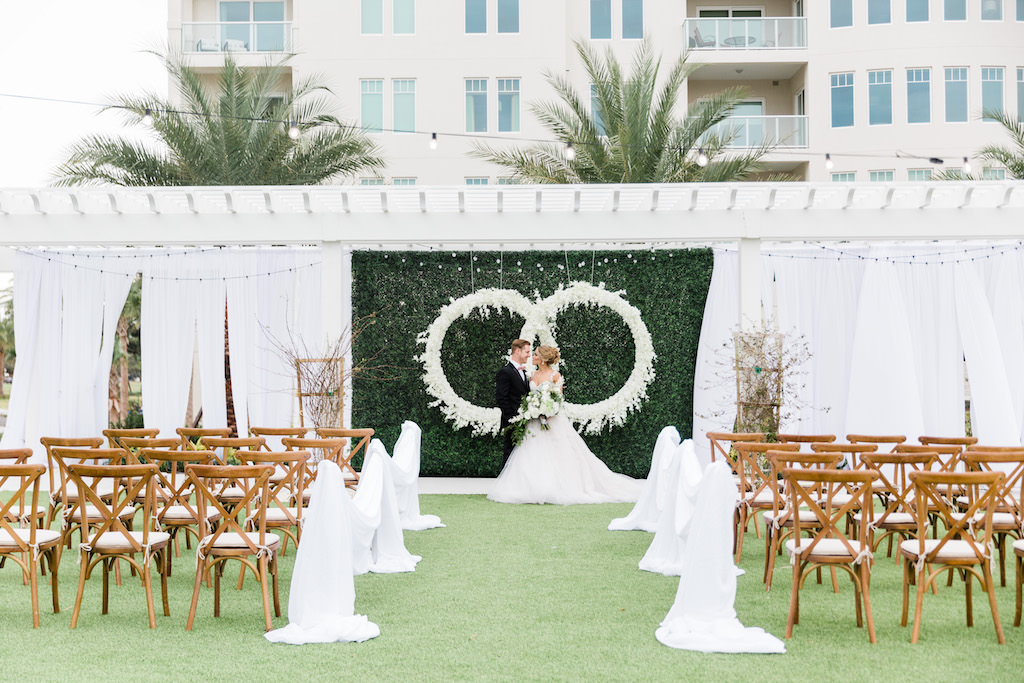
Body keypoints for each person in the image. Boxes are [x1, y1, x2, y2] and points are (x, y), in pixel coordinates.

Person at [488, 345, 644, 505]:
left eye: (535, 354)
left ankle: (560, 487)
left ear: (541, 358)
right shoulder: (531, 375)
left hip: (552, 421)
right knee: (533, 453)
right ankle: (533, 487)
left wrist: (546, 410)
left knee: (558, 453)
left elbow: (558, 400)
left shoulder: (555, 376)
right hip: (534, 421)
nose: (532, 357)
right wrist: (533, 409)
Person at [495, 339, 532, 469]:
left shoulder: (524, 371)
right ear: (517, 351)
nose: (529, 355)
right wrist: (513, 418)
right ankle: (505, 485)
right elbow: (501, 397)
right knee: (510, 454)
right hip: (512, 422)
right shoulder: (505, 372)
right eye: (527, 352)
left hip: (525, 421)